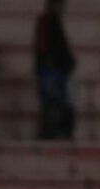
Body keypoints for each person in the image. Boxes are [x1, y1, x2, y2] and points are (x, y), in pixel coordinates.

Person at [34, 0, 75, 139]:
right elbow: (44, 49)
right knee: (53, 105)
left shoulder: (51, 21)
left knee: (55, 105)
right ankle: (50, 134)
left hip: (55, 71)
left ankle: (52, 133)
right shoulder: (47, 21)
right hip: (51, 72)